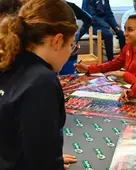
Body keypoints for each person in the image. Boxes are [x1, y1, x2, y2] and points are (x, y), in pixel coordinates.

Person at [0, 0, 78, 169]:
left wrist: (50, 155)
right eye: (72, 45)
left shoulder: (8, 62)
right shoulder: (42, 81)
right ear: (57, 41)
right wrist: (50, 161)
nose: (70, 52)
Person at [75, 14, 136, 85]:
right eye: (125, 29)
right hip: (130, 89)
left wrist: (124, 75)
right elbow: (114, 64)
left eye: (130, 30)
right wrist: (89, 68)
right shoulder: (128, 47)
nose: (125, 33)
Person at [60, 1, 92, 75]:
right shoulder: (68, 5)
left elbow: (88, 19)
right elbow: (88, 19)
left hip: (69, 49)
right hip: (65, 48)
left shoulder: (69, 6)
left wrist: (78, 35)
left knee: (68, 79)